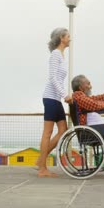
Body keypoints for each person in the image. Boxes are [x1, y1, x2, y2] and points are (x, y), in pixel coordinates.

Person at [37, 27, 72, 178]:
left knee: (63, 130)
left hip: (56, 98)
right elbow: (53, 78)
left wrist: (63, 95)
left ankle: (40, 160)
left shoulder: (62, 55)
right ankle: (42, 169)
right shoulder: (56, 54)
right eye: (68, 36)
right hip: (51, 98)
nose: (70, 38)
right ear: (61, 38)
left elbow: (59, 79)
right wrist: (65, 94)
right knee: (47, 133)